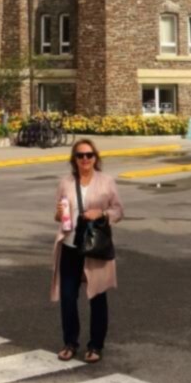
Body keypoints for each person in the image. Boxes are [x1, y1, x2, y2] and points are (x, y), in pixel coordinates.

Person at [50, 138, 123, 364]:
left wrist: (101, 213)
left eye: (89, 155)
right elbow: (58, 216)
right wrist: (59, 213)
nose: (85, 159)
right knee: (68, 298)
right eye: (80, 155)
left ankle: (95, 346)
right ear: (74, 159)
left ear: (95, 158)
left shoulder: (106, 181)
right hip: (70, 245)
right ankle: (70, 343)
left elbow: (118, 210)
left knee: (97, 297)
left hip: (94, 247)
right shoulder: (66, 183)